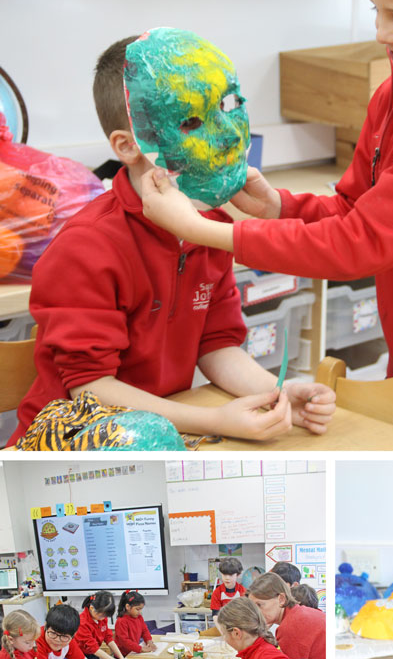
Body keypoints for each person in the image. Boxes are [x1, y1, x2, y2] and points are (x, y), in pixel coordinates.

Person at [138, 0, 393, 427]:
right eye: (377, 12)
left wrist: (201, 231)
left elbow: (356, 244)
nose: (383, 33)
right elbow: (354, 209)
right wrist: (279, 207)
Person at [9, 28, 335, 447]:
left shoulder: (209, 227)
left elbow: (216, 344)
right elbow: (90, 388)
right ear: (127, 147)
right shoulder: (86, 247)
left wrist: (276, 393)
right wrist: (213, 419)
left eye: (228, 105)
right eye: (191, 121)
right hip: (71, 446)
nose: (227, 136)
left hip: (167, 430)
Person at [248, 572, 325, 659]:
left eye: (259, 605)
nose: (256, 612)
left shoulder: (290, 627)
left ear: (281, 599)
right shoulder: (298, 613)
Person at [72, 591, 133, 659]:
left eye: (105, 616)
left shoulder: (101, 617)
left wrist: (121, 658)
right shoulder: (82, 623)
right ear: (91, 608)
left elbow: (108, 638)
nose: (103, 618)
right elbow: (94, 649)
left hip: (93, 657)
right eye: (101, 615)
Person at [113, 589, 157, 656]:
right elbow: (124, 641)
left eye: (141, 609)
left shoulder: (139, 617)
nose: (140, 612)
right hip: (123, 655)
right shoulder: (121, 621)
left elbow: (144, 631)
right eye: (137, 609)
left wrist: (149, 641)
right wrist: (141, 649)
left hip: (133, 652)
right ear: (128, 607)